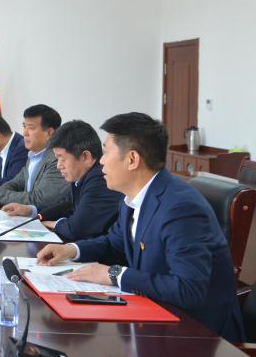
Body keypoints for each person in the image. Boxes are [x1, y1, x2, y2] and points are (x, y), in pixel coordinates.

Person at [36, 112, 245, 343]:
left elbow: (188, 289)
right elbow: (114, 242)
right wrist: (72, 250)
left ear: (132, 159)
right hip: (154, 317)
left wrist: (114, 274)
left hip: (199, 337)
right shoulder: (133, 198)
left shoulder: (180, 208)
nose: (101, 161)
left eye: (106, 152)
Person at [2, 120, 122, 241]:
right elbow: (66, 205)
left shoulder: (100, 180)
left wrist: (53, 224)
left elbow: (75, 229)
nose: (58, 166)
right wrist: (30, 211)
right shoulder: (81, 177)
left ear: (85, 157)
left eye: (62, 158)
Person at [0, 104, 69, 212]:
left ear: (49, 133)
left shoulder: (58, 160)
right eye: (24, 126)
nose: (25, 133)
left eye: (31, 128)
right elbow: (16, 183)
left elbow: (39, 200)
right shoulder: (33, 155)